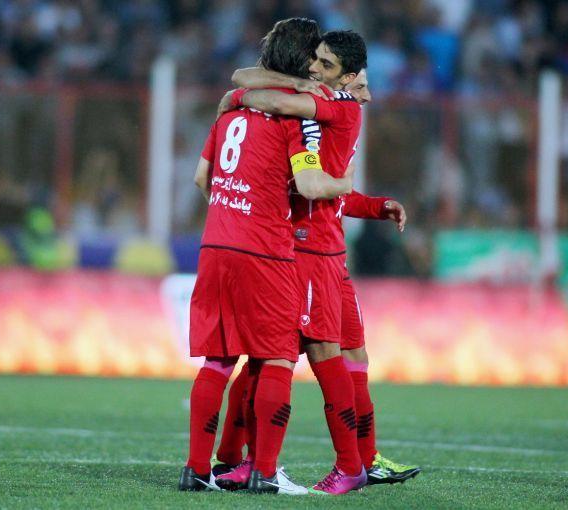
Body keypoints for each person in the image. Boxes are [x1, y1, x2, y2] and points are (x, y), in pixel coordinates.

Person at [216, 34, 419, 494]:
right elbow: (330, 189)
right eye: (315, 60)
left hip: (315, 253)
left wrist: (236, 99)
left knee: (320, 358)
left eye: (326, 64)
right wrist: (375, 205)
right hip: (314, 251)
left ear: (347, 78)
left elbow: (259, 94)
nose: (314, 69)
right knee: (307, 357)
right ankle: (256, 459)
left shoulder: (333, 105)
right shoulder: (323, 104)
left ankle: (355, 462)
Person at [178, 18, 354, 496]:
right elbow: (309, 185)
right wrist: (344, 185)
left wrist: (234, 204)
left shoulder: (230, 112)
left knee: (217, 360)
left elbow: (201, 178)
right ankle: (266, 471)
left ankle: (196, 469)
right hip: (265, 251)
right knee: (276, 358)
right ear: (303, 62)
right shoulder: (295, 120)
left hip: (215, 243)